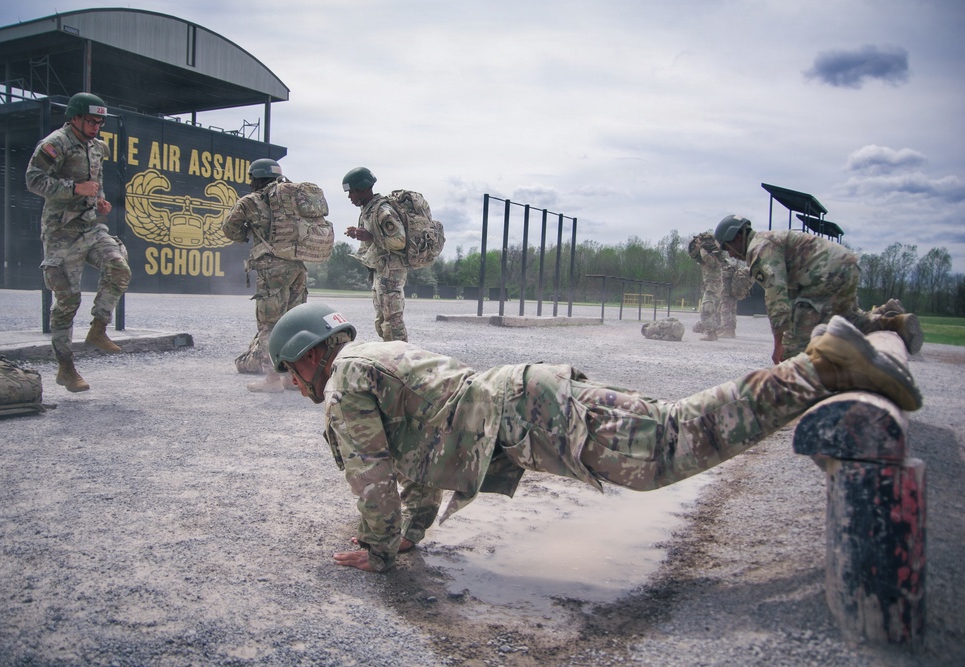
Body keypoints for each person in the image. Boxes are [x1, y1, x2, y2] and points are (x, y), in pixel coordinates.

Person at [268, 302, 922, 573]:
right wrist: (408, 532)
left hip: (532, 413)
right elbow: (416, 470)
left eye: (288, 368)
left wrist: (377, 546)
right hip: (531, 403)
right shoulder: (372, 359)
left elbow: (373, 476)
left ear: (305, 357)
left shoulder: (346, 383)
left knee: (666, 446)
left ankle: (820, 366)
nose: (293, 382)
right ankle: (823, 371)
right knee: (669, 437)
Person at [25, 92, 131, 393]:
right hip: (61, 231)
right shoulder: (54, 143)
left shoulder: (99, 147)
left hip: (90, 226)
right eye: (91, 121)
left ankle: (98, 329)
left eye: (99, 122)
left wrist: (99, 200)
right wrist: (76, 188)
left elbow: (95, 180)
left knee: (119, 267)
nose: (96, 127)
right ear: (75, 117)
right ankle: (66, 368)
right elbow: (33, 180)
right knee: (67, 301)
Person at [714, 214, 923, 363]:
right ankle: (894, 321)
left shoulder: (759, 249)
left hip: (825, 275)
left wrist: (779, 343)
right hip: (845, 266)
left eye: (727, 247)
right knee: (847, 324)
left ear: (737, 237)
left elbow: (775, 296)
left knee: (793, 347)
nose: (730, 254)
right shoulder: (767, 239)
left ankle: (799, 402)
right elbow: (791, 291)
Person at [222, 159, 321, 392]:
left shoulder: (251, 202)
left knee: (269, 325)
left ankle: (273, 379)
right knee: (294, 324)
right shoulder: (294, 198)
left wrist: (249, 232)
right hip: (298, 267)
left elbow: (229, 229)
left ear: (255, 178)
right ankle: (292, 376)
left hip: (272, 270)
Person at [341, 167, 409, 342]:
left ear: (364, 189)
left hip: (391, 273)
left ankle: (401, 361)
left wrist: (370, 237)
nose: (350, 197)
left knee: (393, 323)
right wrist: (359, 233)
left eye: (353, 192)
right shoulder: (368, 210)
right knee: (382, 323)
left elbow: (400, 240)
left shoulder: (382, 210)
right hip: (380, 272)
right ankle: (391, 359)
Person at [688, 232, 726, 341]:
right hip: (714, 286)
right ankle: (712, 333)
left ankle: (710, 334)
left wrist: (701, 248)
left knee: (705, 310)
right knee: (712, 310)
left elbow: (708, 260)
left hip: (712, 287)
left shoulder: (711, 257)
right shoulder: (716, 255)